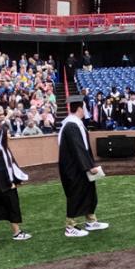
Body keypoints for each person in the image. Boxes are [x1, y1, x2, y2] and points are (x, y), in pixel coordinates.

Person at [58, 97, 107, 238]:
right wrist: (89, 166)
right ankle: (70, 227)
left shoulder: (76, 124)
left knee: (89, 192)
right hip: (73, 168)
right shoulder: (71, 125)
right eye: (84, 107)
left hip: (79, 166)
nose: (86, 110)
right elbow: (78, 148)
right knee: (76, 195)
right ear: (80, 108)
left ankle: (91, 221)